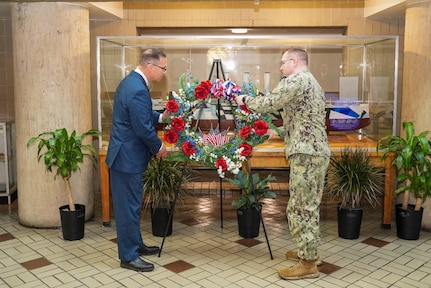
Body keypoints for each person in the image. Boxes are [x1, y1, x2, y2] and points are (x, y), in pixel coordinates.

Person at [236, 47, 330, 280]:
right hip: (313, 151)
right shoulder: (311, 82)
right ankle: (309, 252)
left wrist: (244, 100)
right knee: (309, 204)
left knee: (300, 207)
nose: (280, 68)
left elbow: (269, 103)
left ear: (295, 62)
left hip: (306, 154)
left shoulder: (296, 80)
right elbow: (302, 117)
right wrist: (277, 132)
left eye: (283, 63)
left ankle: (308, 264)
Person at [106, 48, 170, 272]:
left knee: (132, 206)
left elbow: (140, 114)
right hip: (126, 158)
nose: (164, 72)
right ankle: (129, 256)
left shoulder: (132, 82)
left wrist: (161, 117)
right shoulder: (137, 88)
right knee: (127, 208)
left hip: (127, 157)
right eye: (163, 68)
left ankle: (136, 245)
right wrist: (159, 146)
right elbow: (141, 127)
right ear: (151, 66)